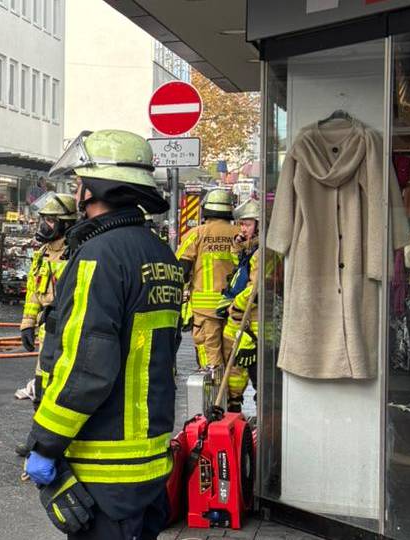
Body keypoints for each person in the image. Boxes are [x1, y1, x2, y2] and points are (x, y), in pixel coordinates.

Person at [22, 129, 183, 539]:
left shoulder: (100, 255)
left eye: (79, 183)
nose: (76, 192)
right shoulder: (157, 252)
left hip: (104, 468)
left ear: (93, 188)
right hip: (147, 462)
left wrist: (45, 443)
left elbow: (85, 366)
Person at [16, 193, 78, 456]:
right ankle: (38, 443)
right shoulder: (42, 254)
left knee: (63, 391)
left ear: (65, 223)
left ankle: (60, 445)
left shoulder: (75, 253)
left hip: (69, 332)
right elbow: (33, 291)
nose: (44, 226)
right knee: (41, 390)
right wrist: (27, 324)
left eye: (51, 221)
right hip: (46, 333)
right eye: (44, 220)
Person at [175, 189, 239, 374]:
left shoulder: (196, 234)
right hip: (235, 306)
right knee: (232, 351)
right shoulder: (239, 234)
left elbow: (181, 269)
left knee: (208, 349)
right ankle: (232, 398)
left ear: (206, 210)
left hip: (205, 308)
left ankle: (211, 392)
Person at [216, 199, 260, 410]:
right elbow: (239, 271)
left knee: (252, 366)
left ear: (260, 225)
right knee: (234, 366)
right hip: (239, 319)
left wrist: (236, 306)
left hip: (252, 321)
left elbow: (256, 287)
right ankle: (234, 405)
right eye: (241, 224)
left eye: (248, 224)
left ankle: (262, 412)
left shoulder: (261, 253)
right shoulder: (248, 249)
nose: (243, 228)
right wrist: (237, 246)